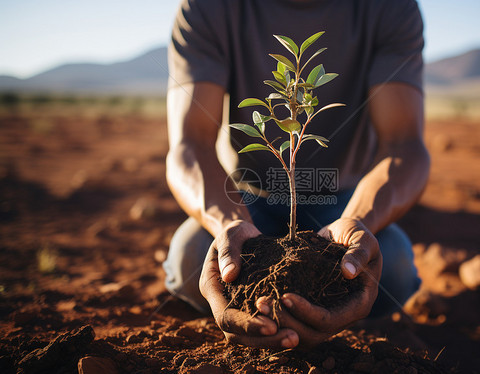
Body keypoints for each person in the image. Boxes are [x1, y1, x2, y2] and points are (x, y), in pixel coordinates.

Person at [164, 0, 429, 349]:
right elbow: (189, 143)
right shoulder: (207, 6)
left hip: (342, 196)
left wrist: (359, 219)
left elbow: (405, 144)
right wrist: (227, 223)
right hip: (247, 195)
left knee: (390, 265)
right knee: (193, 256)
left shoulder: (390, 7)